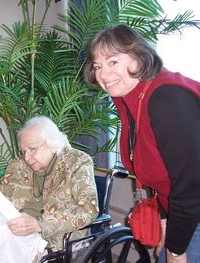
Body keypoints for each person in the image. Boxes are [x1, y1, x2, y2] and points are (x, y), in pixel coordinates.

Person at [83, 24, 200, 263]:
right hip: (183, 214)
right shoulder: (132, 100)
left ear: (138, 57)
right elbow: (162, 174)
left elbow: (190, 185)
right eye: (98, 66)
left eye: (112, 62)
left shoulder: (167, 99)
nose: (103, 74)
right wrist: (165, 225)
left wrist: (176, 250)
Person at [0, 115, 99, 253]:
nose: (26, 158)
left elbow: (88, 211)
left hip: (57, 244)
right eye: (23, 151)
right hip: (15, 236)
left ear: (53, 144)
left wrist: (40, 224)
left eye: (32, 149)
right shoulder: (18, 165)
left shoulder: (77, 162)